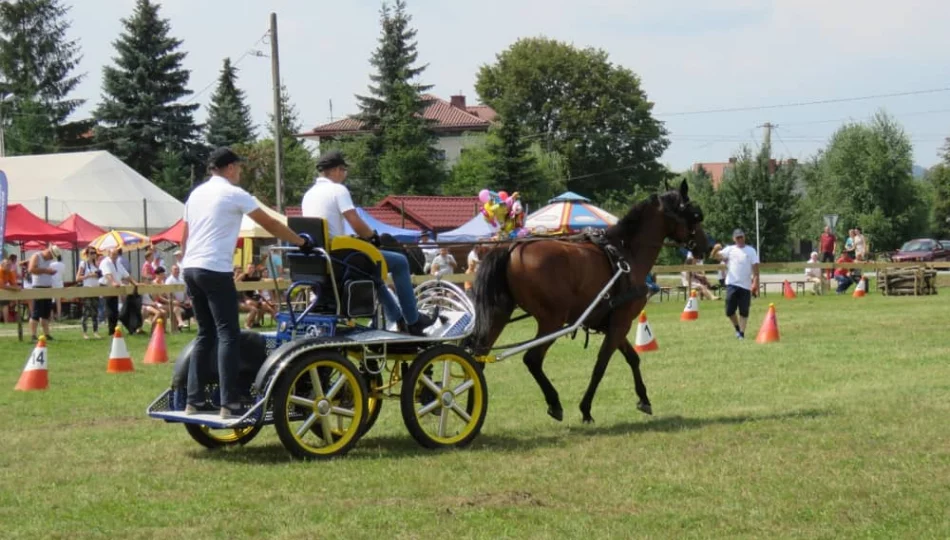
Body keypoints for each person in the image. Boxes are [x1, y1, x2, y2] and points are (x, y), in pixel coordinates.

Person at [181, 147, 312, 419]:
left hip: (191, 267)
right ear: (229, 168)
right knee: (228, 333)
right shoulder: (234, 193)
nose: (240, 173)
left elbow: (186, 234)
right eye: (239, 168)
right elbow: (272, 225)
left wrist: (185, 264)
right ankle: (229, 402)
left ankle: (194, 399)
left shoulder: (196, 194)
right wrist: (301, 241)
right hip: (214, 268)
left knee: (205, 333)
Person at [301, 150, 437, 336]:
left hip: (320, 258)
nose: (345, 174)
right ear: (334, 171)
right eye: (344, 170)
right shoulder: (337, 190)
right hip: (340, 258)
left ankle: (398, 319)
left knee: (372, 272)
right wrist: (373, 238)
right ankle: (413, 320)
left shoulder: (308, 195)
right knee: (399, 262)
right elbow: (354, 220)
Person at [710, 229, 760, 340]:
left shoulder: (751, 251)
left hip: (746, 286)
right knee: (729, 311)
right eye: (737, 238)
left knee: (744, 311)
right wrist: (715, 249)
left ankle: (741, 334)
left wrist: (755, 282)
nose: (740, 239)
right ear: (734, 239)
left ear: (744, 237)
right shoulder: (729, 249)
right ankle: (737, 328)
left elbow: (756, 269)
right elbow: (715, 256)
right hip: (732, 284)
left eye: (741, 237)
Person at [27, 244, 61, 341]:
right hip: (38, 287)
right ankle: (33, 335)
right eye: (51, 256)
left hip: (47, 287)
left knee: (45, 313)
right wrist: (46, 271)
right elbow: (31, 269)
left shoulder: (48, 259)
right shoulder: (37, 256)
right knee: (36, 313)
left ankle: (46, 334)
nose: (51, 258)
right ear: (49, 252)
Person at [99, 247, 136, 335]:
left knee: (115, 310)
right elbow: (107, 274)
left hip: (116, 288)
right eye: (113, 254)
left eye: (116, 254)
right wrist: (113, 282)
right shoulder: (105, 262)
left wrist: (135, 283)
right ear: (109, 254)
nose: (115, 256)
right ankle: (111, 331)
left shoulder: (118, 262)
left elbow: (125, 274)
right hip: (107, 286)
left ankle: (116, 330)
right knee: (111, 310)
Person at [77, 247, 103, 339]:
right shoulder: (83, 264)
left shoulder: (97, 265)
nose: (93, 255)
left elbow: (100, 276)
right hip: (87, 290)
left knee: (95, 312)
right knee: (86, 312)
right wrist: (88, 276)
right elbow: (78, 278)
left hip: (95, 290)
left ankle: (95, 331)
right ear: (87, 254)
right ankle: (85, 332)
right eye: (91, 253)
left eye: (94, 253)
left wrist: (97, 275)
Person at [49, 253, 65, 321]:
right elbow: (63, 273)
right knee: (58, 301)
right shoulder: (63, 265)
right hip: (60, 283)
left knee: (51, 301)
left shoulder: (52, 264)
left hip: (52, 283)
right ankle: (59, 316)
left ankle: (51, 317)